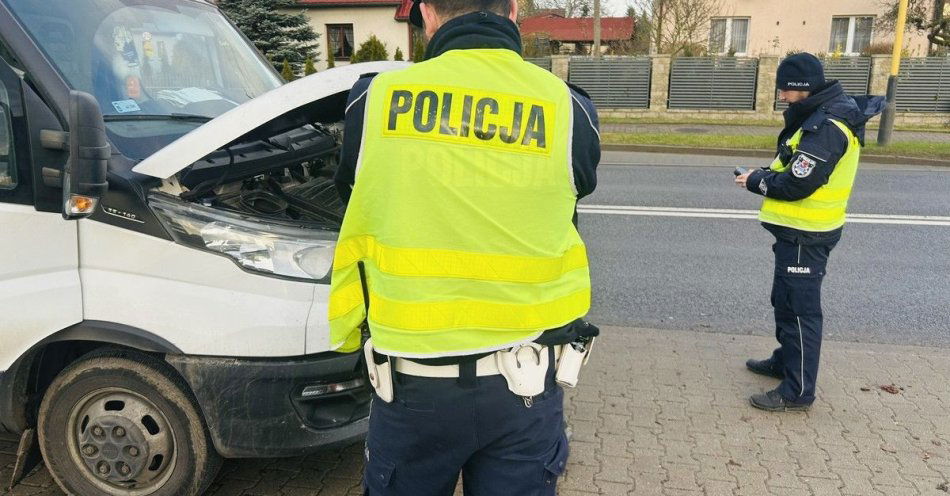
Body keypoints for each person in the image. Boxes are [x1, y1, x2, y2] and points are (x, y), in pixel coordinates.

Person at [328, 0, 601, 494]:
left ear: (427, 13)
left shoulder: (373, 100)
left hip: (412, 388)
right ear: (513, 9)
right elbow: (570, 196)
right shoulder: (570, 108)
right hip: (524, 384)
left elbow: (355, 195)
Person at [735, 53, 884, 412]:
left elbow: (798, 184)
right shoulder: (818, 115)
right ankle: (785, 361)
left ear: (803, 87)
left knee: (800, 312)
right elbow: (790, 164)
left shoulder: (828, 127)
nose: (781, 96)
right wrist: (764, 173)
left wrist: (756, 182)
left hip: (808, 234)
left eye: (785, 89)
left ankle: (797, 390)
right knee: (784, 301)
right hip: (797, 233)